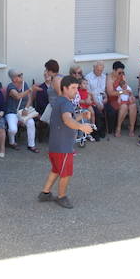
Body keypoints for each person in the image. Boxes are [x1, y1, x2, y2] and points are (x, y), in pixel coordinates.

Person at [39, 75, 93, 209]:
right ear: (64, 88)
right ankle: (61, 197)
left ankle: (45, 193)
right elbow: (68, 120)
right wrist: (82, 126)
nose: (76, 91)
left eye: (77, 88)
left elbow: (69, 118)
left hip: (55, 145)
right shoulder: (66, 103)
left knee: (56, 170)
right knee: (66, 173)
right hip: (63, 147)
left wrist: (82, 115)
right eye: (73, 88)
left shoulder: (60, 100)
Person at [5, 68, 37, 153]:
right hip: (12, 112)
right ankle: (12, 142)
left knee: (31, 123)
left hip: (23, 111)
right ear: (14, 78)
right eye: (19, 75)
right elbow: (17, 96)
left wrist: (26, 108)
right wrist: (30, 89)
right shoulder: (10, 86)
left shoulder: (24, 84)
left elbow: (29, 99)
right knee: (13, 129)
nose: (22, 76)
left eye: (21, 74)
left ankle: (31, 145)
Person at [107, 62, 136, 138]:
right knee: (124, 107)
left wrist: (131, 95)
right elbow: (110, 93)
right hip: (114, 99)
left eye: (122, 72)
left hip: (125, 97)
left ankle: (131, 128)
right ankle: (118, 128)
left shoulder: (122, 76)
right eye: (119, 72)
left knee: (133, 105)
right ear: (114, 70)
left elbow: (126, 87)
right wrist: (122, 92)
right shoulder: (109, 78)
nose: (121, 74)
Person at [85, 61, 108, 140]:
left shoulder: (104, 76)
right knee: (97, 113)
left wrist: (106, 98)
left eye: (101, 70)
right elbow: (89, 92)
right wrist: (97, 103)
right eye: (98, 70)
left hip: (102, 98)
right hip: (92, 99)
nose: (100, 72)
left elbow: (104, 90)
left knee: (110, 110)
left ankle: (105, 129)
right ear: (94, 68)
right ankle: (95, 132)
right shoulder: (88, 77)